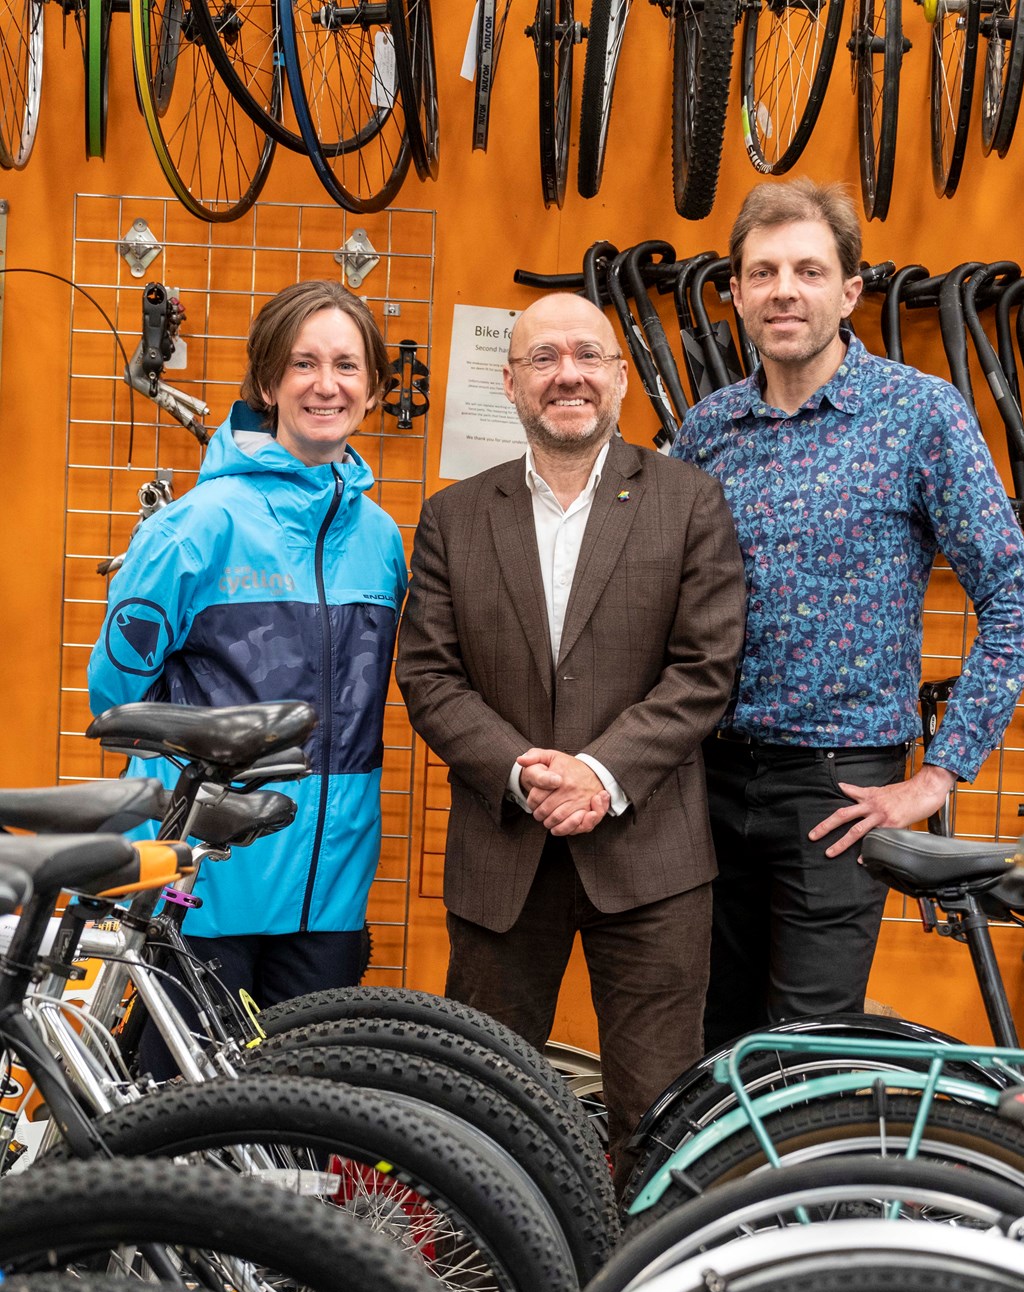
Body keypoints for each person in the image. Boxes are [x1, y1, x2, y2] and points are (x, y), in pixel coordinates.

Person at [672, 178, 1024, 1048]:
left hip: (841, 786)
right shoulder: (706, 430)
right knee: (708, 1036)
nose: (783, 290)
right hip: (705, 777)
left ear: (849, 291)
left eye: (808, 269)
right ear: (734, 293)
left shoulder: (919, 417)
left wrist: (939, 775)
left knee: (805, 1045)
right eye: (761, 272)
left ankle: (809, 1190)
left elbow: (1015, 599)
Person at [395, 292, 747, 1181]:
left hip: (652, 858)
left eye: (588, 355)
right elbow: (429, 676)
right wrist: (521, 771)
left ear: (621, 379)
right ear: (510, 382)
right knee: (479, 1105)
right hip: (503, 852)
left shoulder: (688, 501)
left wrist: (599, 773)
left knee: (660, 1116)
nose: (568, 375)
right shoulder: (453, 516)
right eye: (543, 358)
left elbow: (706, 668)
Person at [88, 279, 406, 1015]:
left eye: (347, 366)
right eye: (303, 364)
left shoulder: (382, 540)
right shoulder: (194, 528)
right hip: (208, 884)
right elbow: (118, 699)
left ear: (373, 387)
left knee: (308, 1111)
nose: (326, 385)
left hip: (330, 890)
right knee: (190, 1113)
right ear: (267, 380)